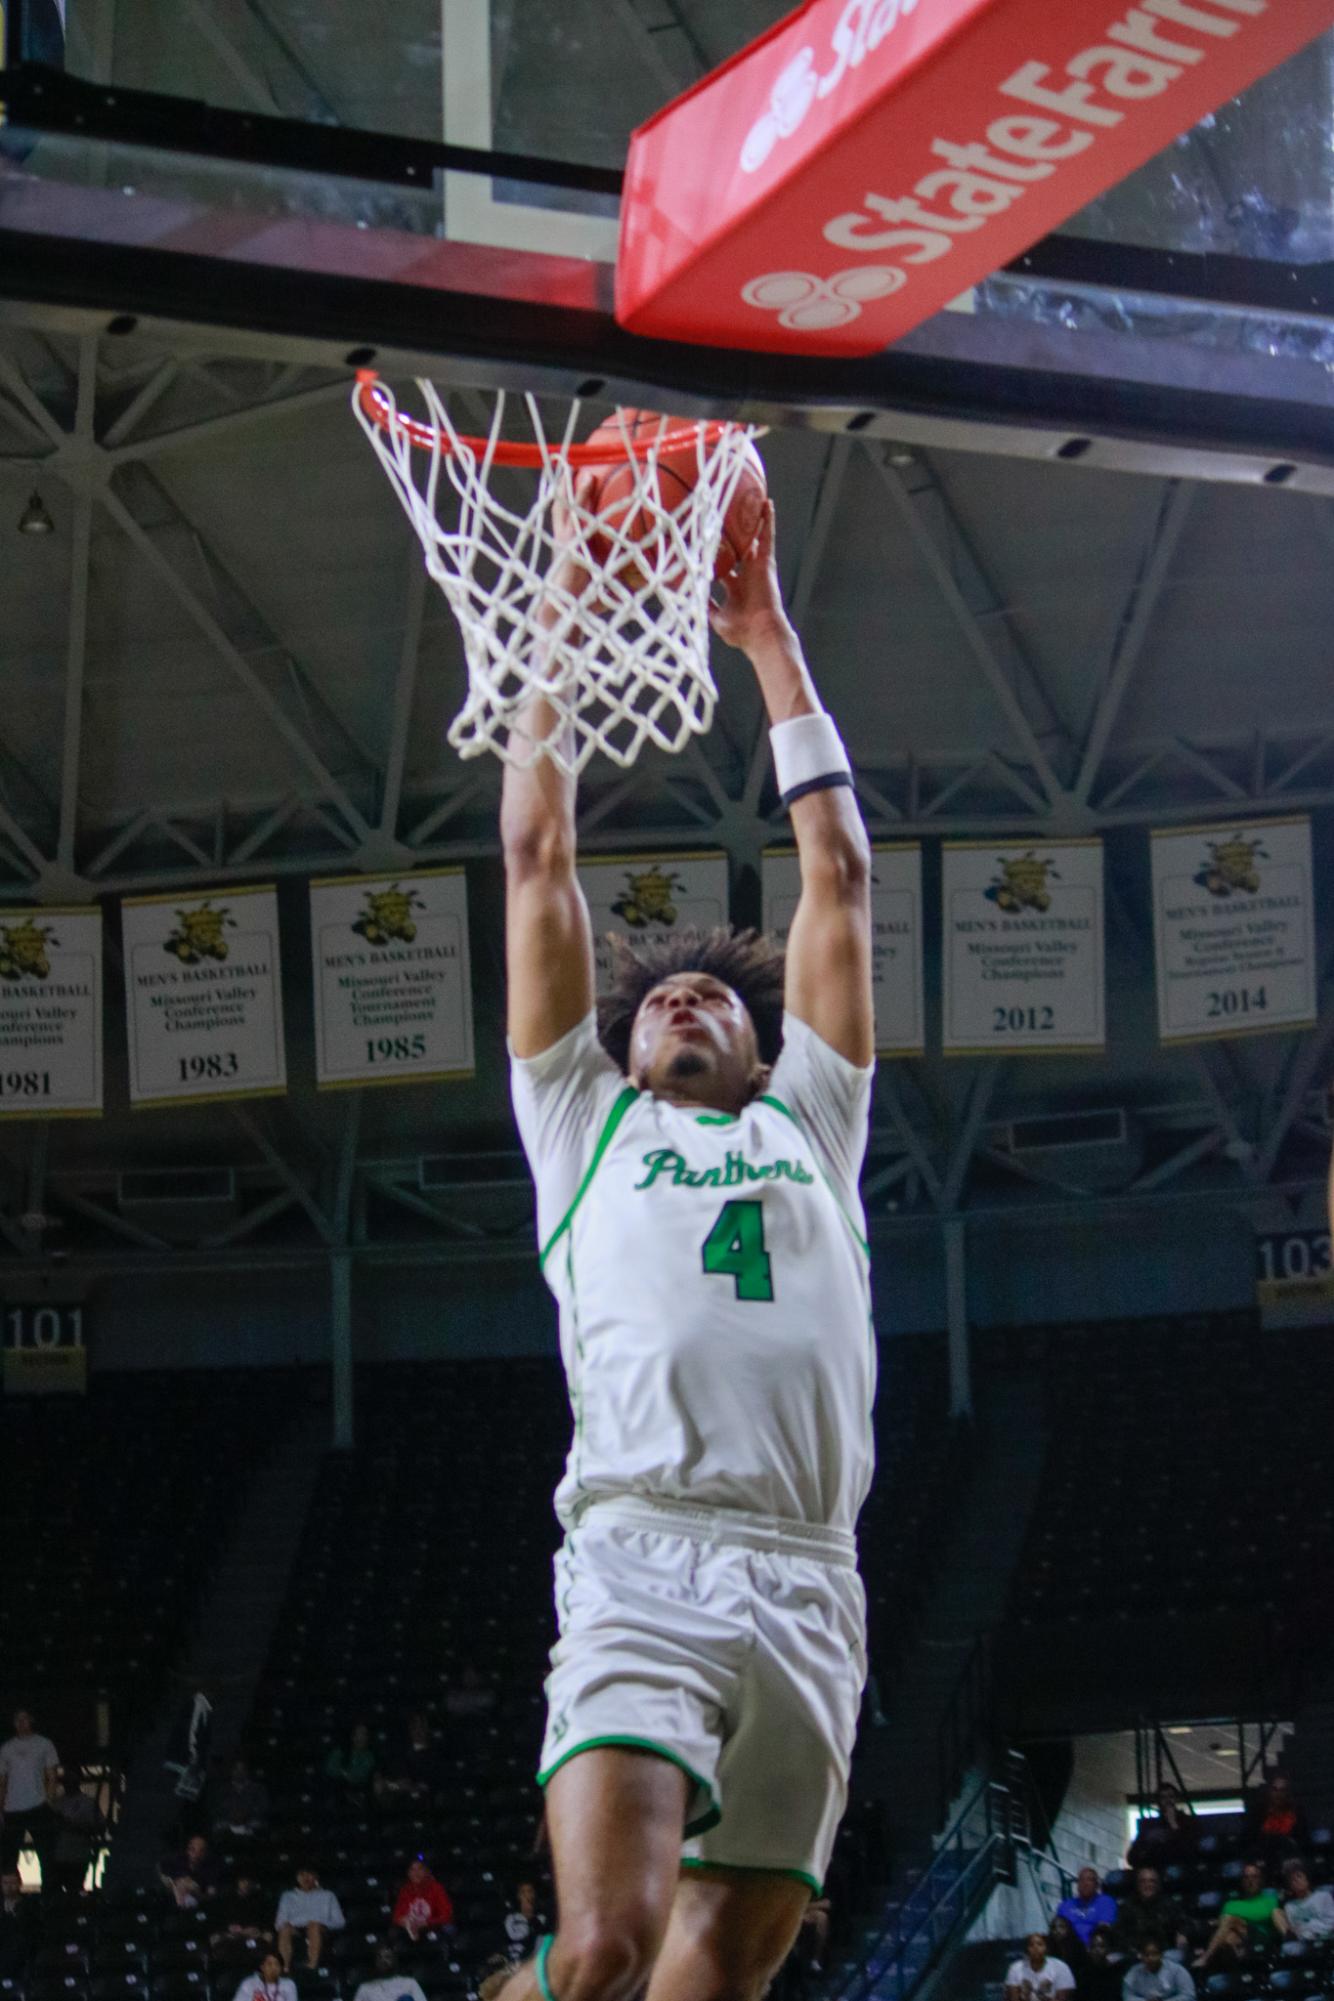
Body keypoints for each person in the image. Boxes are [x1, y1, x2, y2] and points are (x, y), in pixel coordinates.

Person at [498, 500, 875, 2001]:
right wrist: (567, 627)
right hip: (643, 1550)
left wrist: (767, 637)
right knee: (604, 1945)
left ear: (757, 1034)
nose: (681, 1003)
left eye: (715, 999)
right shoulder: (578, 1121)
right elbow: (537, 854)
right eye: (659, 999)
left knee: (709, 1985)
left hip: (808, 1574)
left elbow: (837, 877)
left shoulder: (815, 1121)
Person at [0, 1708, 60, 1876]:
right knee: (9, 1858)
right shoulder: (7, 1748)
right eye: (17, 1719)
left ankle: (48, 1898)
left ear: (31, 1720)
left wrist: (49, 1801)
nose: (21, 1723)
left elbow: (52, 1775)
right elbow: (2, 1782)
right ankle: (9, 1896)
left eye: (24, 1719)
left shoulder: (44, 1744)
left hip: (38, 1805)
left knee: (46, 1855)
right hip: (12, 1809)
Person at [274, 1864, 344, 1971]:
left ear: (315, 1877)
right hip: (296, 1928)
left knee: (313, 1926)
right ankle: (285, 1967)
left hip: (320, 1928)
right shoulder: (288, 1896)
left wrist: (321, 1923)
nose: (305, 1878)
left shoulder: (328, 1895)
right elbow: (279, 1922)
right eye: (302, 1874)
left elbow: (340, 1921)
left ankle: (312, 1965)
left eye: (309, 1874)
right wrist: (286, 1924)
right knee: (284, 1929)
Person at [46, 1770, 103, 1895]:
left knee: (75, 1892)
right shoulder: (56, 1803)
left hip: (78, 1856)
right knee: (54, 1893)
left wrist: (72, 1825)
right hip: (57, 1857)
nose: (68, 1783)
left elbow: (98, 1828)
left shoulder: (88, 1803)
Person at [1114, 1869, 1192, 1961]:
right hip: (1135, 1953)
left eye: (1152, 1881)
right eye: (1143, 1881)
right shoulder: (1127, 1907)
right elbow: (1119, 1934)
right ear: (1137, 1885)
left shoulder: (1169, 1904)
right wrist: (1134, 1953)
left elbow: (1186, 1924)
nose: (1147, 1885)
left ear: (1158, 1885)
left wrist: (1182, 1934)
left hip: (1163, 1954)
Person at [379, 1715, 447, 1805]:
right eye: (415, 1726)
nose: (418, 1730)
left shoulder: (435, 1754)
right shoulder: (400, 1753)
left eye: (422, 1726)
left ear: (427, 1729)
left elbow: (434, 1782)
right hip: (401, 1798)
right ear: (410, 1729)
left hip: (425, 1799)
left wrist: (413, 1786)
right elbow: (393, 1781)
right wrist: (394, 1785)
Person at [210, 1873, 274, 1965]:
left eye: (248, 1882)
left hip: (252, 1932)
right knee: (215, 1939)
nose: (245, 1884)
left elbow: (265, 1919)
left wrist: (255, 1929)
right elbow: (218, 1918)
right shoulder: (227, 1898)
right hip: (230, 1933)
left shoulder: (259, 1899)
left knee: (268, 1936)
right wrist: (228, 1928)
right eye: (243, 1881)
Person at [1245, 1777, 1309, 1869]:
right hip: (1264, 1859)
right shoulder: (1258, 1814)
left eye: (1282, 1790)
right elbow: (1250, 1841)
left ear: (1287, 1793)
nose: (1278, 1794)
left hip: (1289, 1860)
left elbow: (1303, 1842)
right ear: (1270, 1792)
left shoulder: (1297, 1815)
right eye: (1275, 1790)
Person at [1128, 1787, 1198, 1870]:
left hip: (1182, 1868)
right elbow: (1132, 1858)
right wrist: (1149, 1842)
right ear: (1158, 1802)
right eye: (1163, 1797)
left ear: (1177, 1799)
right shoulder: (1149, 1825)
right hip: (1156, 1869)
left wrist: (1173, 1824)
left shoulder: (1189, 1821)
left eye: (1171, 1796)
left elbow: (1191, 1850)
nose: (1167, 1800)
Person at [1217, 1860, 1285, 1944]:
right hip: (1240, 1941)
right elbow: (1222, 1926)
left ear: (1261, 1879)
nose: (1250, 1880)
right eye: (1246, 1877)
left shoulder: (1271, 1899)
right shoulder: (1230, 1904)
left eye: (1254, 1876)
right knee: (1228, 1936)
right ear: (1242, 1881)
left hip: (1266, 1940)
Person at [390, 1857, 454, 1941]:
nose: (416, 1873)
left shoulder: (436, 1888)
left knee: (449, 1929)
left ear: (426, 1871)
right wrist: (407, 1923)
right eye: (412, 1870)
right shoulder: (405, 1890)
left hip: (433, 1926)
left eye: (419, 1869)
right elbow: (397, 1916)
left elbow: (447, 1915)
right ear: (408, 1873)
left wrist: (425, 1923)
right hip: (410, 1927)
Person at [211, 1758, 270, 1841]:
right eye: (236, 1769)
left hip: (250, 1822)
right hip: (228, 1822)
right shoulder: (222, 1789)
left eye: (242, 1769)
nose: (239, 1772)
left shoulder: (258, 1788)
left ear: (247, 1771)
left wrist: (246, 1814)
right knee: (217, 1827)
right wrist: (231, 1814)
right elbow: (216, 1808)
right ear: (231, 1770)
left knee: (260, 1825)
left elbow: (264, 1807)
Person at [1006, 1932, 1077, 2001]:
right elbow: (1013, 1997)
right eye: (1031, 1945)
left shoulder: (1060, 1967)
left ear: (1046, 1948)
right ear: (1027, 1949)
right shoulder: (1016, 1968)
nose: (1035, 1948)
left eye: (1040, 1944)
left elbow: (1063, 1998)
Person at [158, 1832, 222, 1907]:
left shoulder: (212, 1869)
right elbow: (161, 1870)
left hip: (199, 1905)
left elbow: (211, 1897)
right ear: (188, 1849)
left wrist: (194, 1891)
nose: (196, 1854)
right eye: (192, 1849)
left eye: (201, 1851)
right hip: (174, 1903)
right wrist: (174, 1884)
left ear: (205, 1853)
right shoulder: (177, 1861)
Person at [1058, 1869, 1119, 1947]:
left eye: (1090, 1880)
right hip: (1068, 1948)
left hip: (1095, 1949)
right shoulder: (1065, 1905)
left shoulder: (1106, 1902)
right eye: (1081, 1880)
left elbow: (1104, 1929)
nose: (1085, 1884)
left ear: (1097, 1885)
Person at [1122, 1939, 1196, 2001]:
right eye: (1146, 1955)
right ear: (1141, 1956)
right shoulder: (1134, 1972)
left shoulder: (1177, 1970)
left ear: (1161, 1955)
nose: (1150, 1958)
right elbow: (1128, 1996)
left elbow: (1189, 1995)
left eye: (1154, 1954)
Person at [352, 1943, 428, 2001]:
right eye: (379, 1957)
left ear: (394, 1960)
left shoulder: (410, 1983)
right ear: (375, 1962)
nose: (383, 1961)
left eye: (387, 1957)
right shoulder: (365, 1988)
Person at [1279, 1861, 1334, 1942]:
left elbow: (1331, 1922)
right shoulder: (1289, 1906)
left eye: (1299, 1876)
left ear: (1306, 1878)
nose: (1296, 1881)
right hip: (1303, 1941)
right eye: (1292, 1879)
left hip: (1325, 1938)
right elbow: (1295, 1928)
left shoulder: (1323, 1896)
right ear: (1289, 1885)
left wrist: (1311, 1929)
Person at [0, 1868, 40, 1978]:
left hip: (20, 1956)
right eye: (5, 1883)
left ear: (19, 1883)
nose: (9, 1886)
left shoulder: (29, 1907)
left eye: (12, 1882)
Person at [324, 1724, 377, 1801]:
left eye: (364, 1734)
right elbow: (329, 1768)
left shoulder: (370, 1756)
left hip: (361, 1792)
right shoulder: (340, 1751)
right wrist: (344, 1773)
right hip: (338, 1791)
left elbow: (360, 1775)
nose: (362, 1737)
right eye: (358, 1734)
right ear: (352, 1736)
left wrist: (344, 1773)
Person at [502, 1880, 549, 1967]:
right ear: (518, 1895)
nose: (526, 1895)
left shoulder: (542, 1918)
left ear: (534, 1894)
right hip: (513, 1964)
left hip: (533, 1965)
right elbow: (512, 1937)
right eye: (523, 1892)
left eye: (530, 1891)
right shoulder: (511, 1918)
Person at [231, 1949, 297, 2001]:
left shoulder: (288, 1984)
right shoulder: (249, 1984)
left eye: (277, 1965)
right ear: (262, 1967)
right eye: (269, 1964)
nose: (274, 1968)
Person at [1079, 1925, 1122, 2001]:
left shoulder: (1117, 1971)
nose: (1096, 1950)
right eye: (1093, 1946)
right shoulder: (1084, 1973)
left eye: (1101, 1946)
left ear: (1109, 1948)